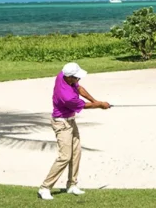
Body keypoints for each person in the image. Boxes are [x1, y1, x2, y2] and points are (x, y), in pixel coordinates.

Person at [37, 62, 110, 201]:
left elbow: (79, 88)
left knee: (76, 153)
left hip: (70, 121)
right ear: (69, 77)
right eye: (76, 77)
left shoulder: (62, 75)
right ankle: (45, 188)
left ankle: (72, 184)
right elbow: (84, 106)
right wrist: (100, 105)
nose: (78, 79)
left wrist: (96, 100)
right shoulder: (67, 96)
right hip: (61, 123)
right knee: (64, 157)